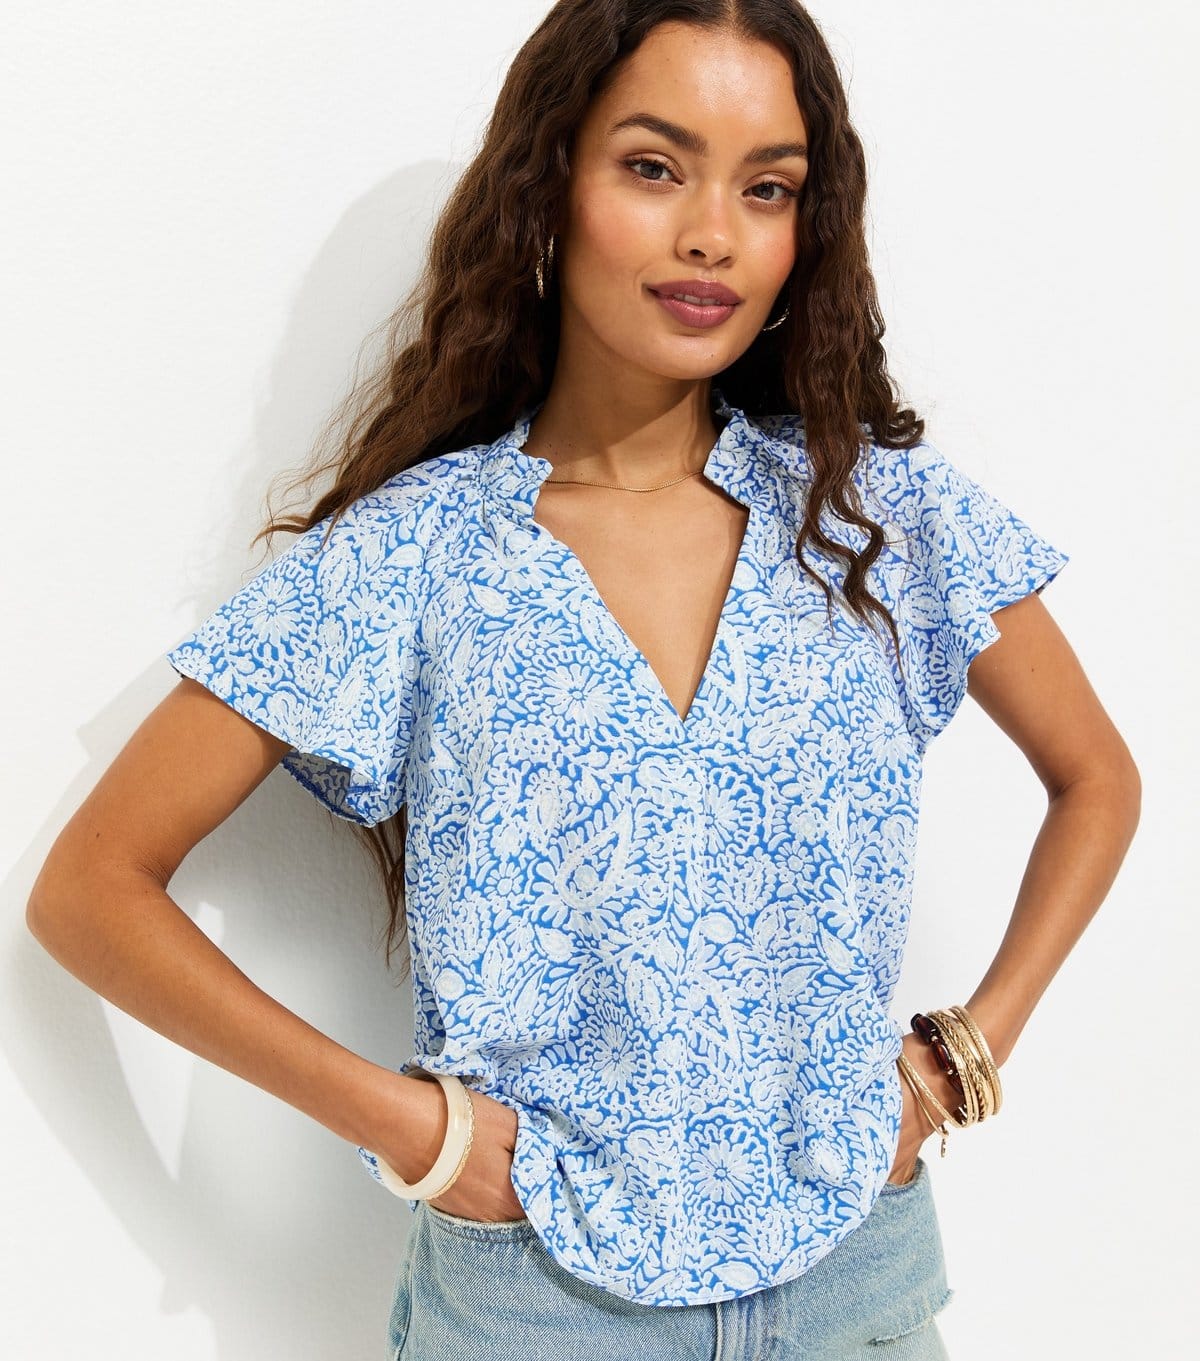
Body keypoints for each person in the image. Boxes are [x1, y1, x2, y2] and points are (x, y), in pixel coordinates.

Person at [26, 2, 1141, 1358]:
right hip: (541, 1307)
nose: (712, 234)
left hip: (860, 1285)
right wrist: (412, 1129)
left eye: (768, 187)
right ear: (551, 184)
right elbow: (91, 888)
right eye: (655, 167)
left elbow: (1098, 778)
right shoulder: (413, 553)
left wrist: (959, 1060)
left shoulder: (878, 513)